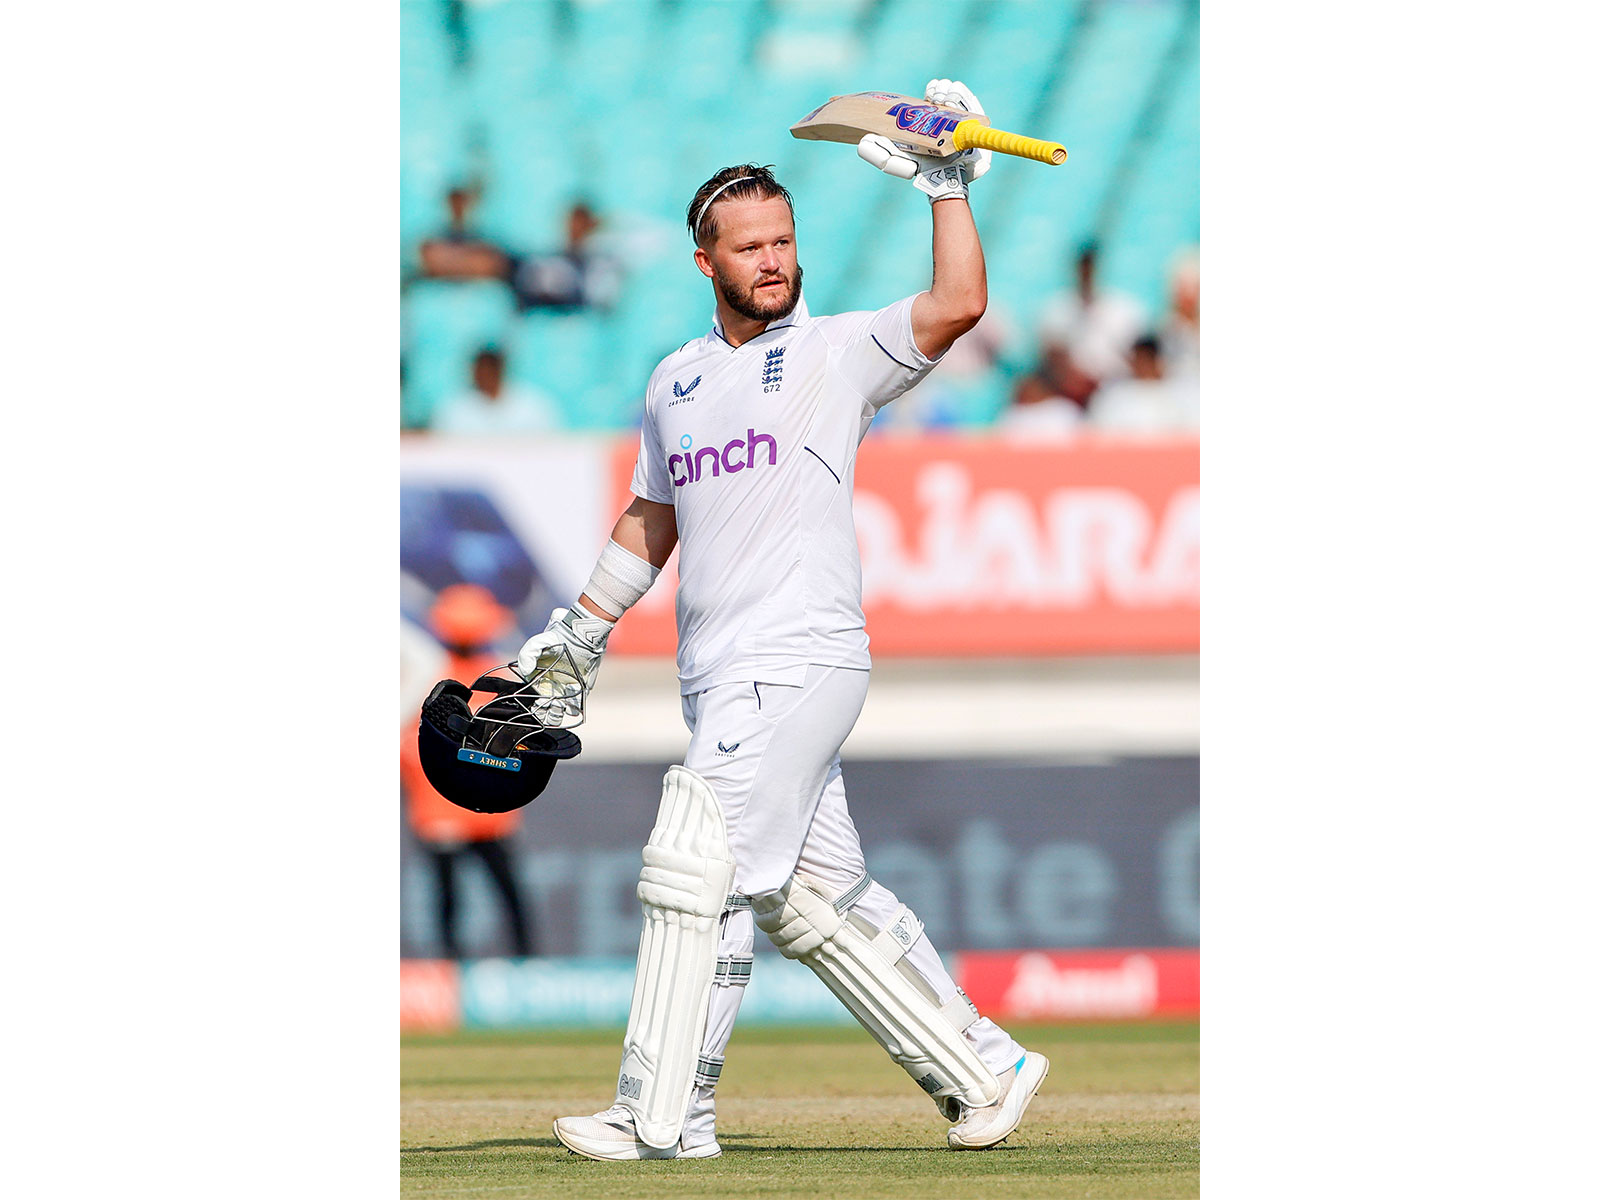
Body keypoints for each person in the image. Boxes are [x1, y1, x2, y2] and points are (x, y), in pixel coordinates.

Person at [512, 79, 1047, 1162]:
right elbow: (653, 517)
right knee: (809, 897)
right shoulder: (674, 383)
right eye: (748, 246)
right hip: (716, 671)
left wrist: (944, 188)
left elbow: (956, 306)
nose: (771, 260)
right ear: (704, 262)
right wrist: (581, 632)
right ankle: (982, 1065)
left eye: (783, 240)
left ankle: (662, 1116)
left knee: (694, 859)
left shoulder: (832, 352)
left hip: (797, 656)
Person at [400, 584, 536, 959]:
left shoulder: (429, 681)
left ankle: (452, 971)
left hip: (441, 811)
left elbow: (408, 748)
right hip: (487, 811)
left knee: (448, 898)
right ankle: (528, 963)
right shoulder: (499, 682)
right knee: (508, 895)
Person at [1034, 240, 1146, 389]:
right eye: (1084, 267)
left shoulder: (1124, 309)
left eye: (1090, 267)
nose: (1087, 273)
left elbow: (1137, 358)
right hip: (1071, 390)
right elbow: (1050, 356)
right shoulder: (1057, 309)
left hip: (1114, 386)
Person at [506, 202, 623, 312]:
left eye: (578, 224)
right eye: (570, 224)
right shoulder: (558, 255)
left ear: (591, 224)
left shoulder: (606, 254)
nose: (571, 229)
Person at [430, 346, 561, 435]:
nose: (486, 377)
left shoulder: (533, 405)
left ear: (500, 370)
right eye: (481, 372)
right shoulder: (454, 409)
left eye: (490, 371)